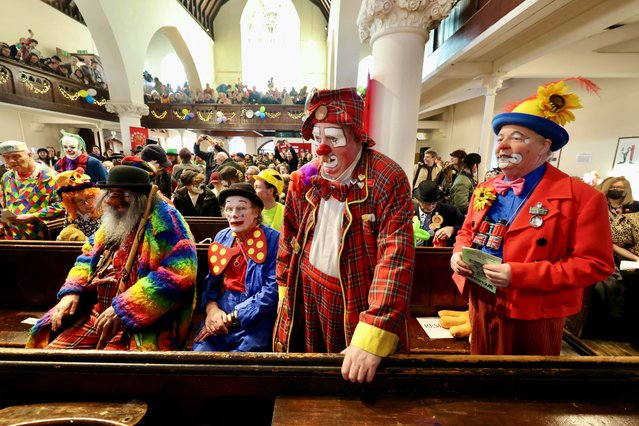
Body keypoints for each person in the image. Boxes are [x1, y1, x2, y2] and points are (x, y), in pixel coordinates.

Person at [450, 79, 615, 355]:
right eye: (500, 138)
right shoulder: (485, 188)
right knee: (480, 376)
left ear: (544, 146)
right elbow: (466, 232)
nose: (502, 146)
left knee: (527, 385)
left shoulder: (582, 197)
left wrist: (520, 275)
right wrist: (457, 255)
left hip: (534, 308)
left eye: (516, 137)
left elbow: (595, 264)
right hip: (481, 299)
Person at [273, 88, 414, 383]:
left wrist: (373, 331)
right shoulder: (303, 178)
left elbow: (395, 257)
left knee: (361, 383)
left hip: (359, 300)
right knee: (312, 380)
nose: (321, 149)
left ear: (357, 136)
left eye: (334, 139)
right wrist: (285, 292)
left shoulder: (387, 177)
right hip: (308, 291)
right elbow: (288, 240)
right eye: (317, 138)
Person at [26, 165, 198, 350]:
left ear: (142, 197)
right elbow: (87, 257)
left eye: (125, 194)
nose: (115, 201)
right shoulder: (112, 222)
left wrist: (126, 308)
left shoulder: (166, 221)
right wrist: (72, 291)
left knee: (111, 374)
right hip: (98, 314)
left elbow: (179, 274)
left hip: (144, 322)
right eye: (111, 193)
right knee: (52, 359)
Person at [193, 183, 279, 352]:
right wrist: (211, 309)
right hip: (220, 313)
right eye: (229, 208)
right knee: (201, 357)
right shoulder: (221, 237)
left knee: (241, 367)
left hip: (255, 321)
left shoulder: (273, 239)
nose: (234, 214)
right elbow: (211, 281)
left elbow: (272, 291)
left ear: (256, 212)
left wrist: (233, 318)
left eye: (241, 208)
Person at [0, 140, 64, 240]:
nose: (11, 161)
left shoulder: (51, 177)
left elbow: (63, 205)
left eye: (16, 156)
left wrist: (34, 216)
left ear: (29, 155)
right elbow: (2, 203)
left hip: (39, 236)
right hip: (11, 237)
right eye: (6, 157)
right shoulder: (6, 177)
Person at [413, 180, 465, 247]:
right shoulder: (408, 212)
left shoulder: (450, 211)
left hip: (440, 254)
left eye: (434, 203)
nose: (430, 207)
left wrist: (452, 229)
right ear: (418, 200)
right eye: (426, 204)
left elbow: (466, 227)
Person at [55, 167, 103, 241]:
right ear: (72, 203)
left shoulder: (104, 211)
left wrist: (88, 241)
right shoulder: (71, 213)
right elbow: (67, 230)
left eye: (89, 198)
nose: (87, 203)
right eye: (80, 201)